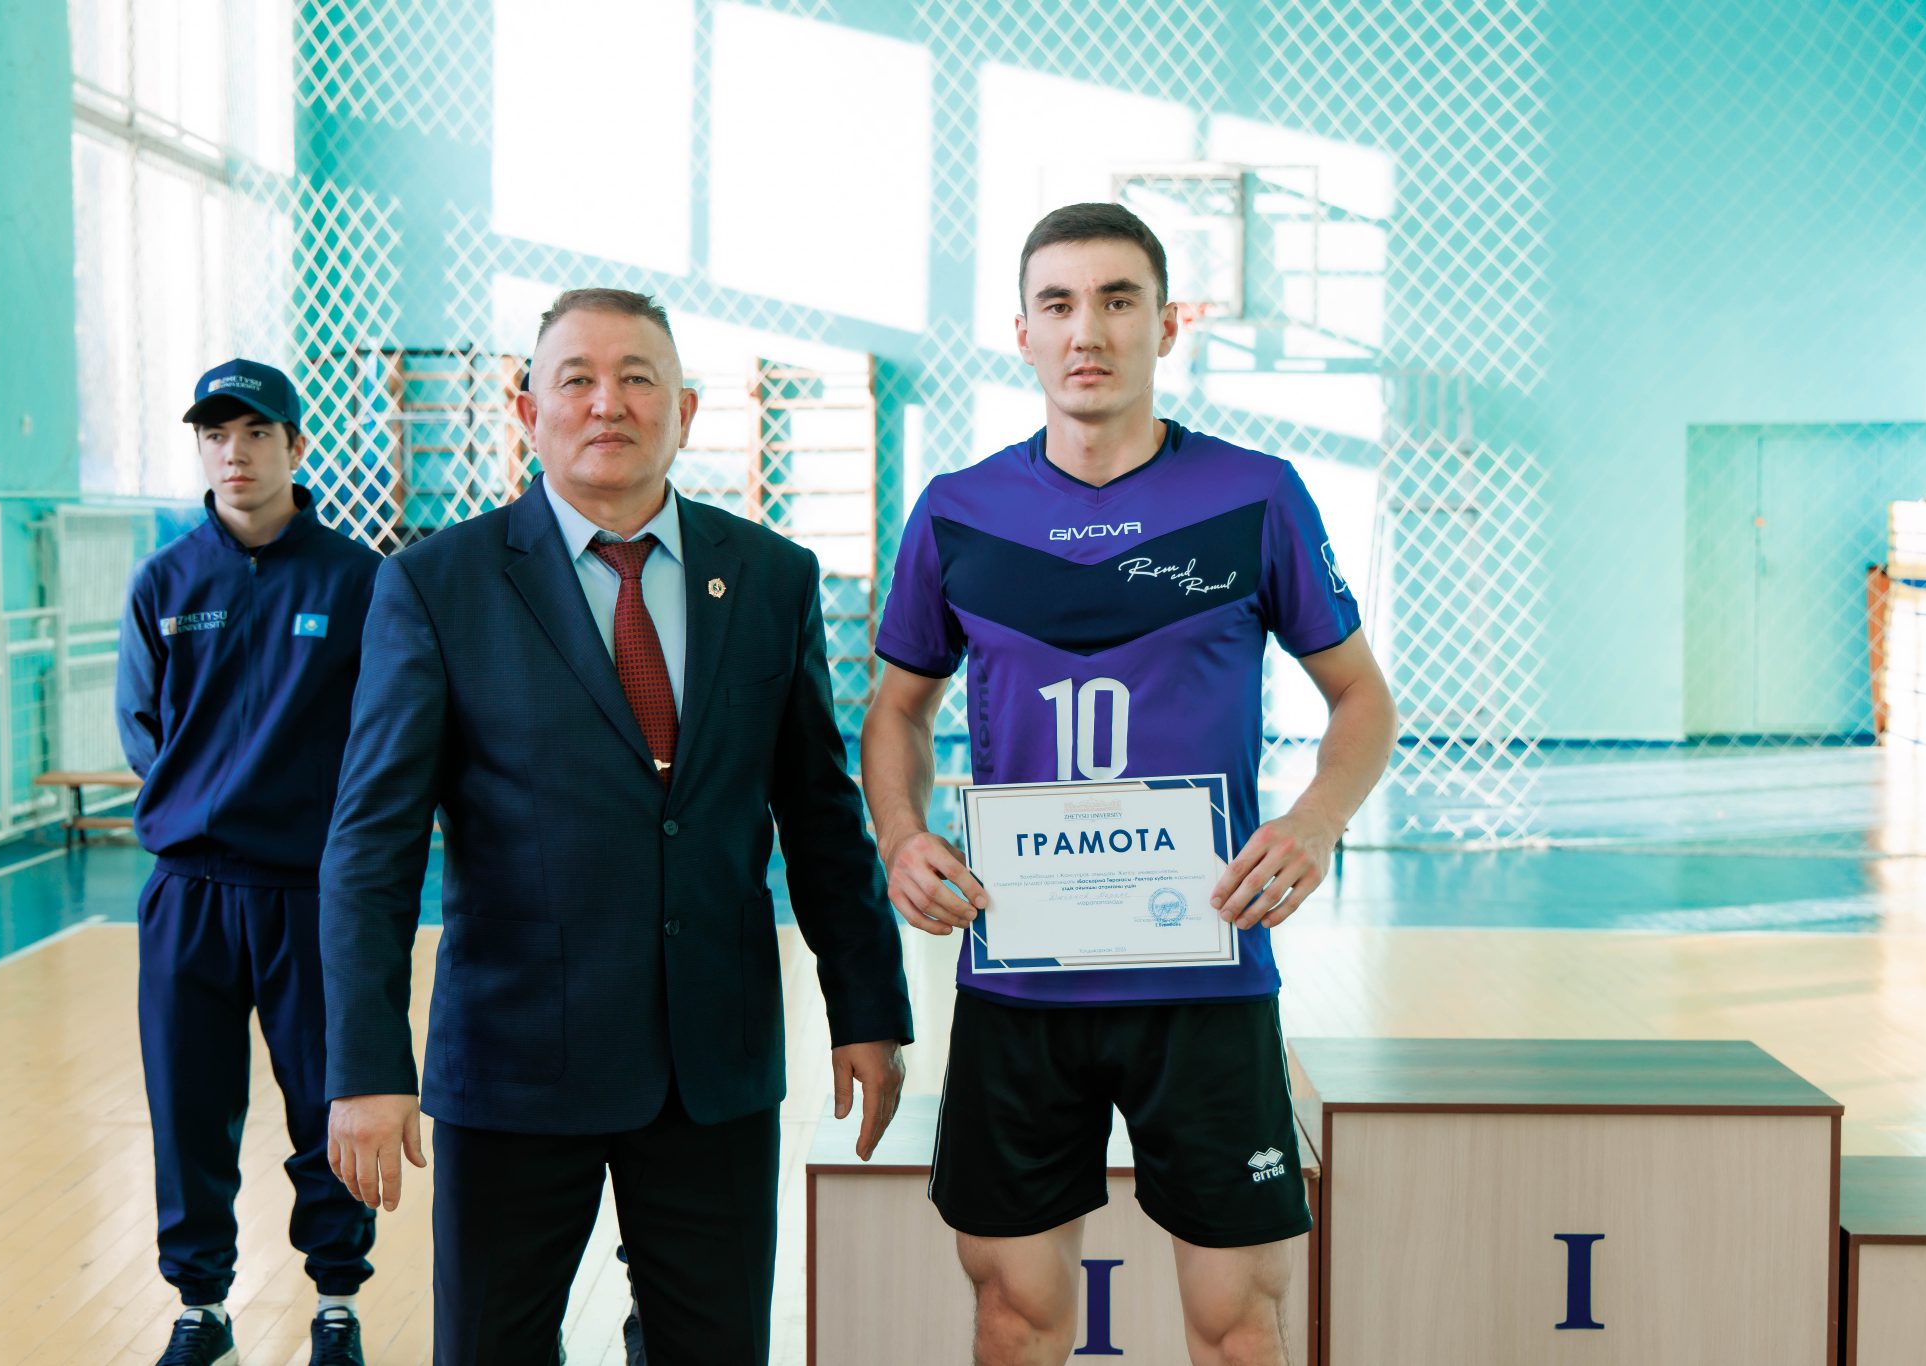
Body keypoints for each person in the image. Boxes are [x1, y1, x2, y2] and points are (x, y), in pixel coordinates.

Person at [318, 288, 913, 1365]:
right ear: (525, 410)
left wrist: (866, 1008)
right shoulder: (437, 585)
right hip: (514, 1065)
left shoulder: (770, 578)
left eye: (638, 378)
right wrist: (366, 1062)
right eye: (577, 379)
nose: (609, 403)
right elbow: (372, 845)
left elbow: (821, 816)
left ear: (684, 410)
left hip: (713, 1068)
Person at [861, 203, 1399, 1366]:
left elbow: (1360, 696)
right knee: (1013, 1318)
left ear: (1167, 324)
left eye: (1117, 300)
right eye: (1057, 303)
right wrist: (900, 834)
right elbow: (897, 708)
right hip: (1018, 975)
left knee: (1238, 1325)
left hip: (1203, 973)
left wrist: (1315, 822)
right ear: (1021, 331)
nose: (1086, 330)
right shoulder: (958, 510)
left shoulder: (1255, 495)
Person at [116, 359, 383, 1366]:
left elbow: (381, 731)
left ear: (295, 446)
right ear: (201, 448)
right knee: (189, 1107)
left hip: (308, 893)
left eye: (257, 433)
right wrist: (200, 809)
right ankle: (201, 1306)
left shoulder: (356, 580)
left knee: (326, 1105)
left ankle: (337, 1301)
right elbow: (142, 728)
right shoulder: (164, 582)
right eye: (216, 435)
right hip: (188, 894)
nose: (235, 453)